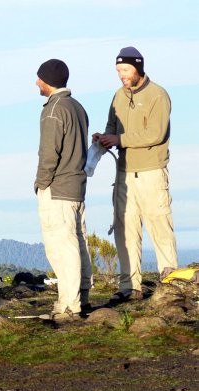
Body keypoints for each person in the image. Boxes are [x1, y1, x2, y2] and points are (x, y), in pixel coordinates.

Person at [92, 47, 178, 302]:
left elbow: (156, 133)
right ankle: (130, 286)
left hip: (152, 172)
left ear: (138, 68)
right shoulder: (118, 96)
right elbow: (111, 126)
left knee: (159, 226)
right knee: (125, 229)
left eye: (126, 70)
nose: (122, 75)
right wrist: (104, 138)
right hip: (124, 173)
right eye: (119, 70)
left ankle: (172, 284)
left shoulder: (158, 95)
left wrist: (119, 139)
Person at [35, 59, 93, 318]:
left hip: (58, 188)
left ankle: (70, 304)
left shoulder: (53, 110)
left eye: (39, 78)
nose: (36, 82)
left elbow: (49, 153)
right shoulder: (77, 108)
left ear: (47, 81)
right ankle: (82, 294)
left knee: (61, 246)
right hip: (77, 186)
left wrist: (41, 183)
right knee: (78, 241)